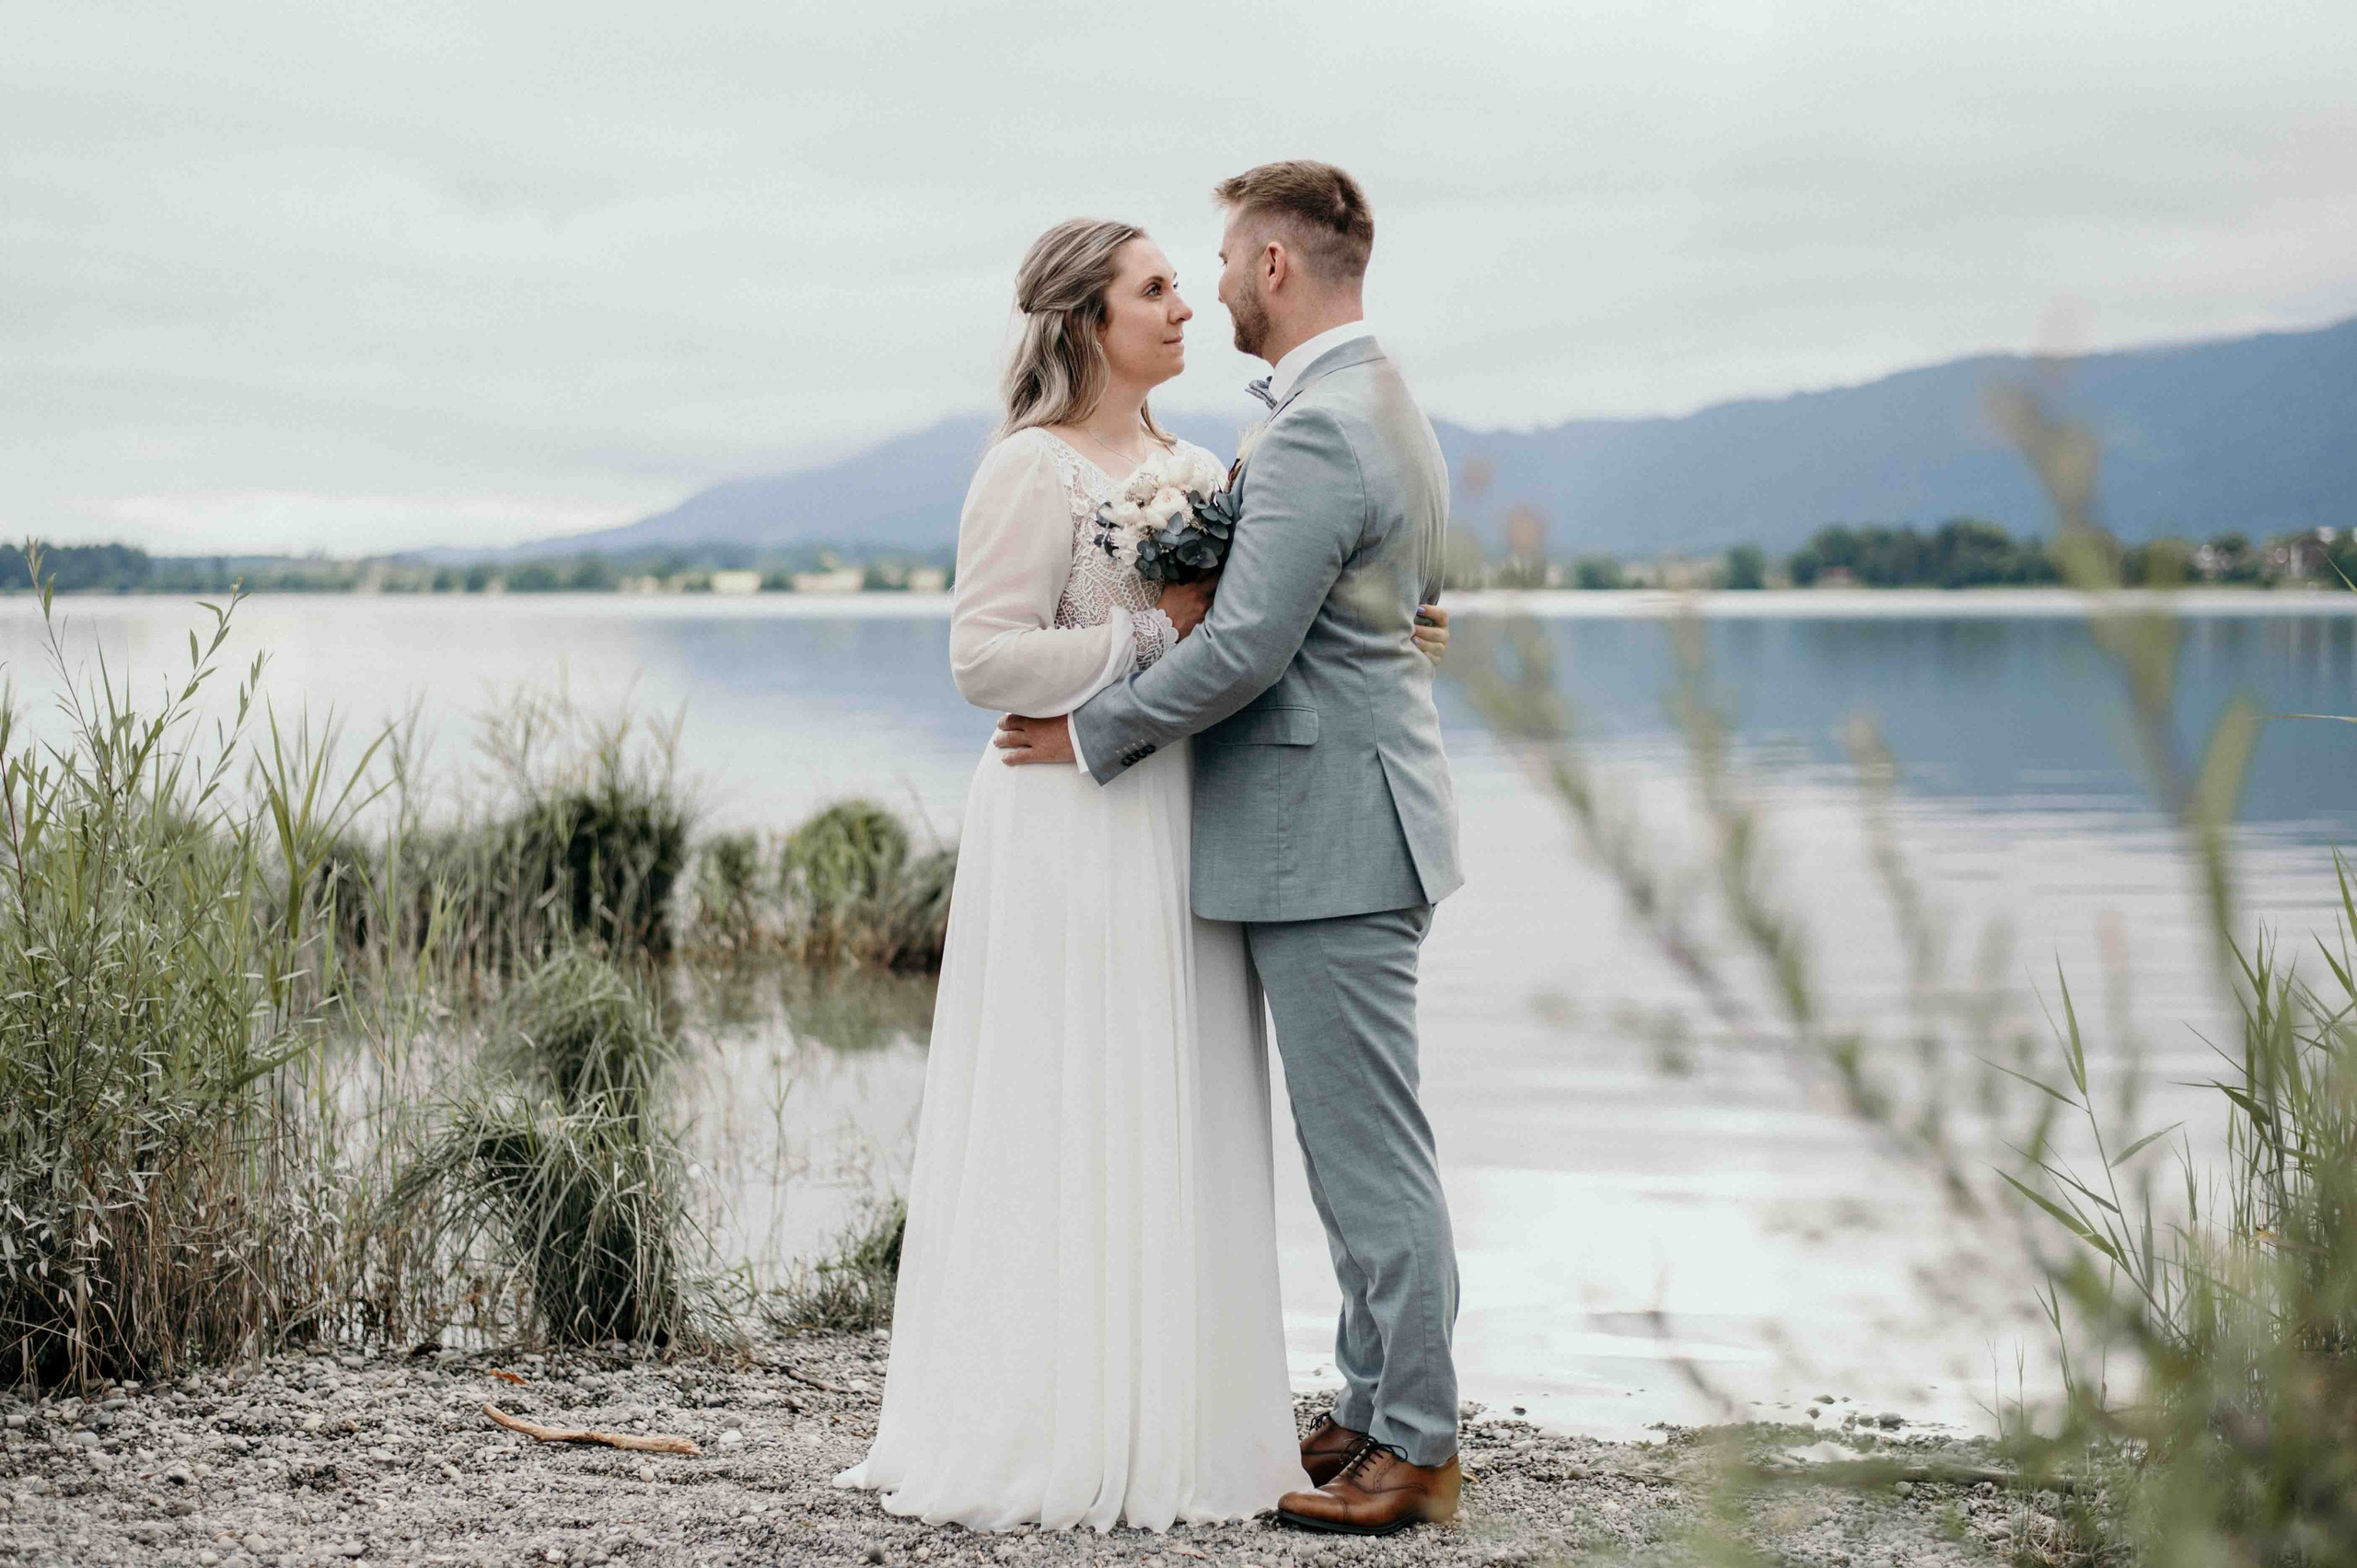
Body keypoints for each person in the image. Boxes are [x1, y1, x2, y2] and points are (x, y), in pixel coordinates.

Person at [832, 206, 1452, 1533]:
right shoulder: (1027, 470)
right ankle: (1057, 1401)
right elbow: (982, 662)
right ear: (1084, 322)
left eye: (1191, 282)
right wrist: (1131, 651)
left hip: (1175, 812)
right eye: (1155, 289)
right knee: (1068, 1097)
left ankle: (1186, 1399)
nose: (1186, 306)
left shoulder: (1206, 459)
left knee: (1177, 1103)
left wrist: (1393, 619)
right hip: (1063, 814)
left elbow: (1268, 613)